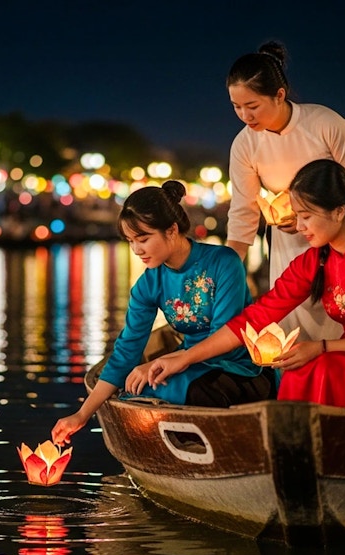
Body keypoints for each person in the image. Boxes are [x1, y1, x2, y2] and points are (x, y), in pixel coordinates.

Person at [143, 160, 345, 411]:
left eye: (306, 216)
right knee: (298, 371)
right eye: (297, 215)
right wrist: (186, 357)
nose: (299, 226)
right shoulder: (314, 261)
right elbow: (254, 319)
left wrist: (321, 347)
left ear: (338, 211)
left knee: (324, 368)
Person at [51, 181, 275, 446]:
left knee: (191, 390)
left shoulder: (224, 263)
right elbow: (126, 352)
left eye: (144, 239)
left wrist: (167, 361)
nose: (136, 250)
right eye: (131, 241)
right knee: (134, 392)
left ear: (171, 230)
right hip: (187, 366)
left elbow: (225, 335)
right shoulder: (148, 284)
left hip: (236, 367)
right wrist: (82, 414)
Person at [225, 40, 345, 341]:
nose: (244, 116)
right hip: (288, 240)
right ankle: (297, 383)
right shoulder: (244, 144)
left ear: (279, 95)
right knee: (293, 320)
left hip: (342, 234)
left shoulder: (324, 123)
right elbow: (244, 210)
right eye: (236, 107)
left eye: (252, 106)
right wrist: (225, 268)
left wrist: (310, 211)